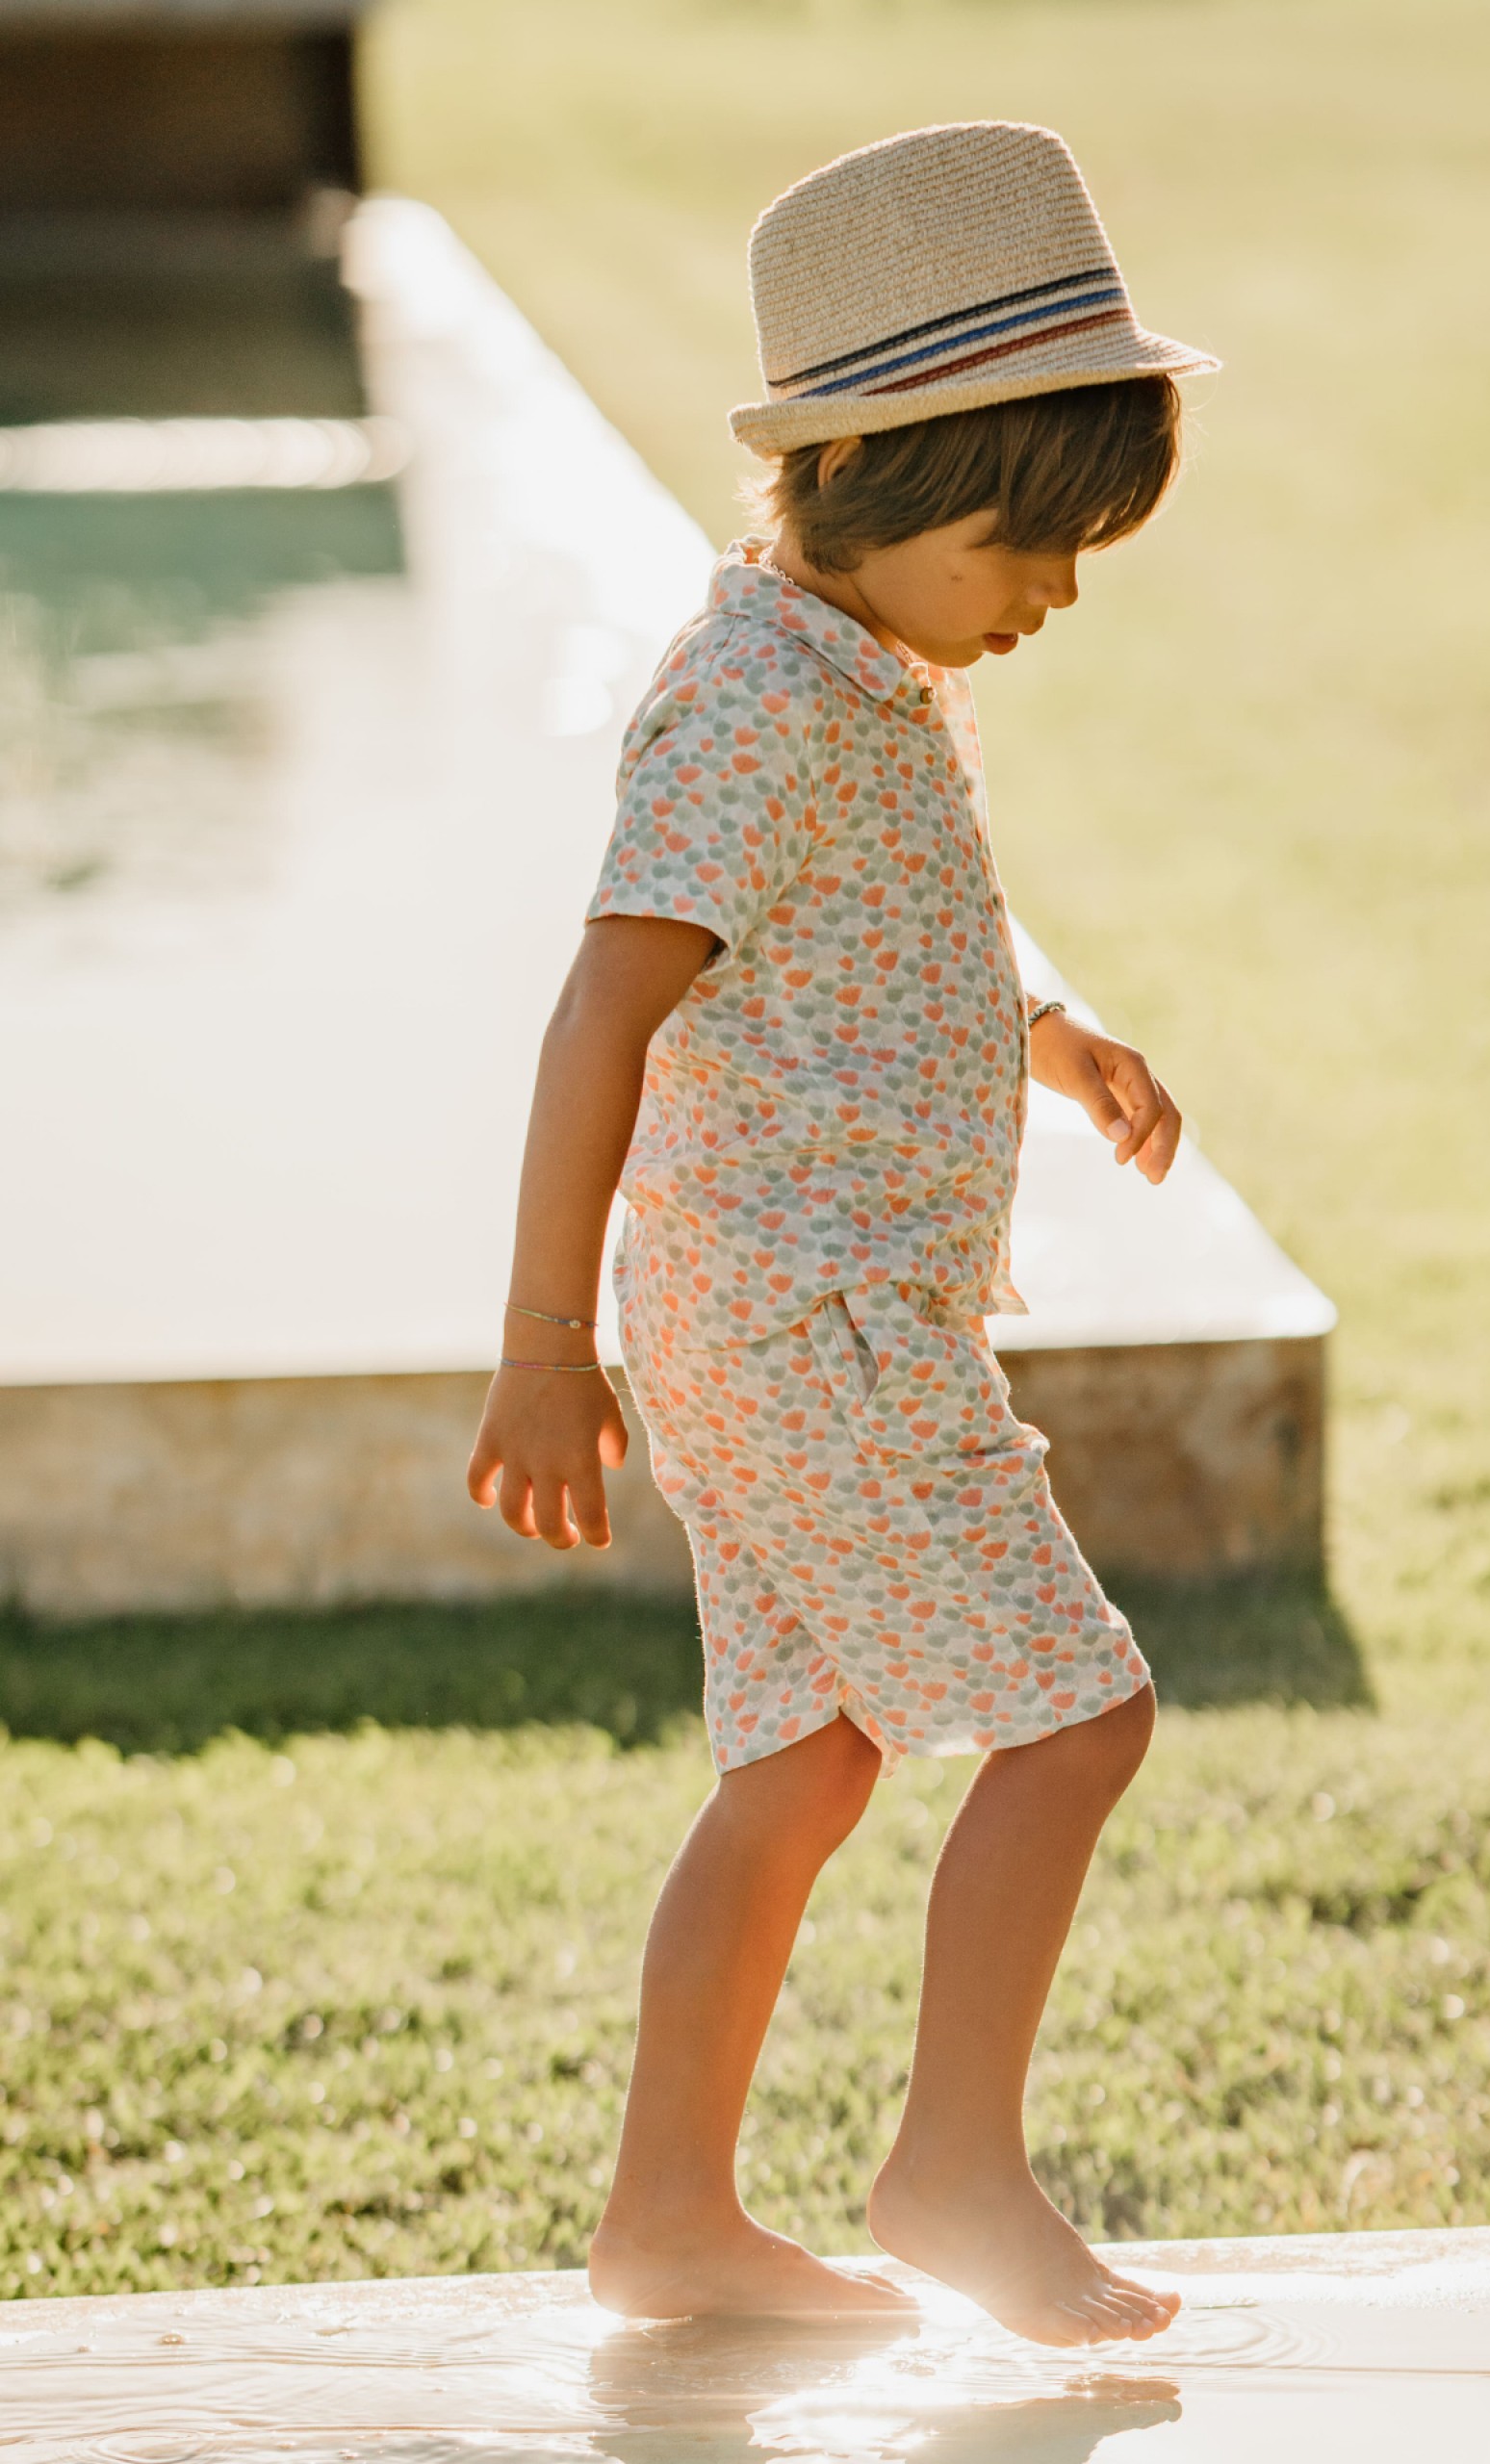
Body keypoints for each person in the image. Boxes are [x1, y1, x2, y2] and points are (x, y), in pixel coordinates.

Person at [467, 120, 1216, 2348]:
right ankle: (952, 2166)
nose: (1053, 592)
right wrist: (539, 1339)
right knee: (1077, 1719)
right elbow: (606, 1005)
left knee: (803, 1765)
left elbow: (881, 929)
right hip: (818, 1324)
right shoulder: (753, 701)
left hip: (776, 1317)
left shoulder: (858, 667)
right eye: (1026, 539)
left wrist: (1052, 1038)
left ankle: (670, 2218)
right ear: (874, 476)